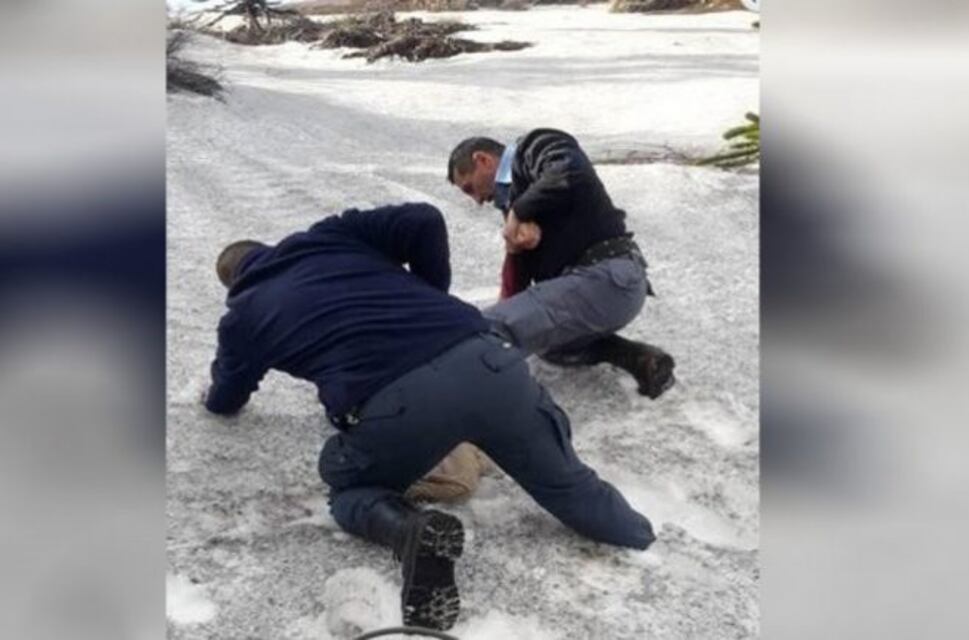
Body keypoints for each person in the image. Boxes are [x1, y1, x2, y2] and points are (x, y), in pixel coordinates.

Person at [202, 203, 655, 631]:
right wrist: (430, 292)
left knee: (346, 484)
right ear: (268, 248)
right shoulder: (328, 237)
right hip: (488, 360)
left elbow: (226, 396)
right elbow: (423, 219)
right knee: (570, 486)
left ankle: (410, 532)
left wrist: (215, 394)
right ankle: (642, 540)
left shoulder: (242, 317)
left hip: (399, 407)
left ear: (234, 283)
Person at [447, 129, 676, 399]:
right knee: (547, 345)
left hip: (608, 276)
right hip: (602, 293)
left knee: (486, 329)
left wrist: (520, 211)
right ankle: (639, 359)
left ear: (482, 160)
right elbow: (519, 281)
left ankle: (446, 404)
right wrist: (515, 246)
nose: (477, 200)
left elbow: (570, 169)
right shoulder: (515, 203)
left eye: (470, 188)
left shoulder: (533, 147)